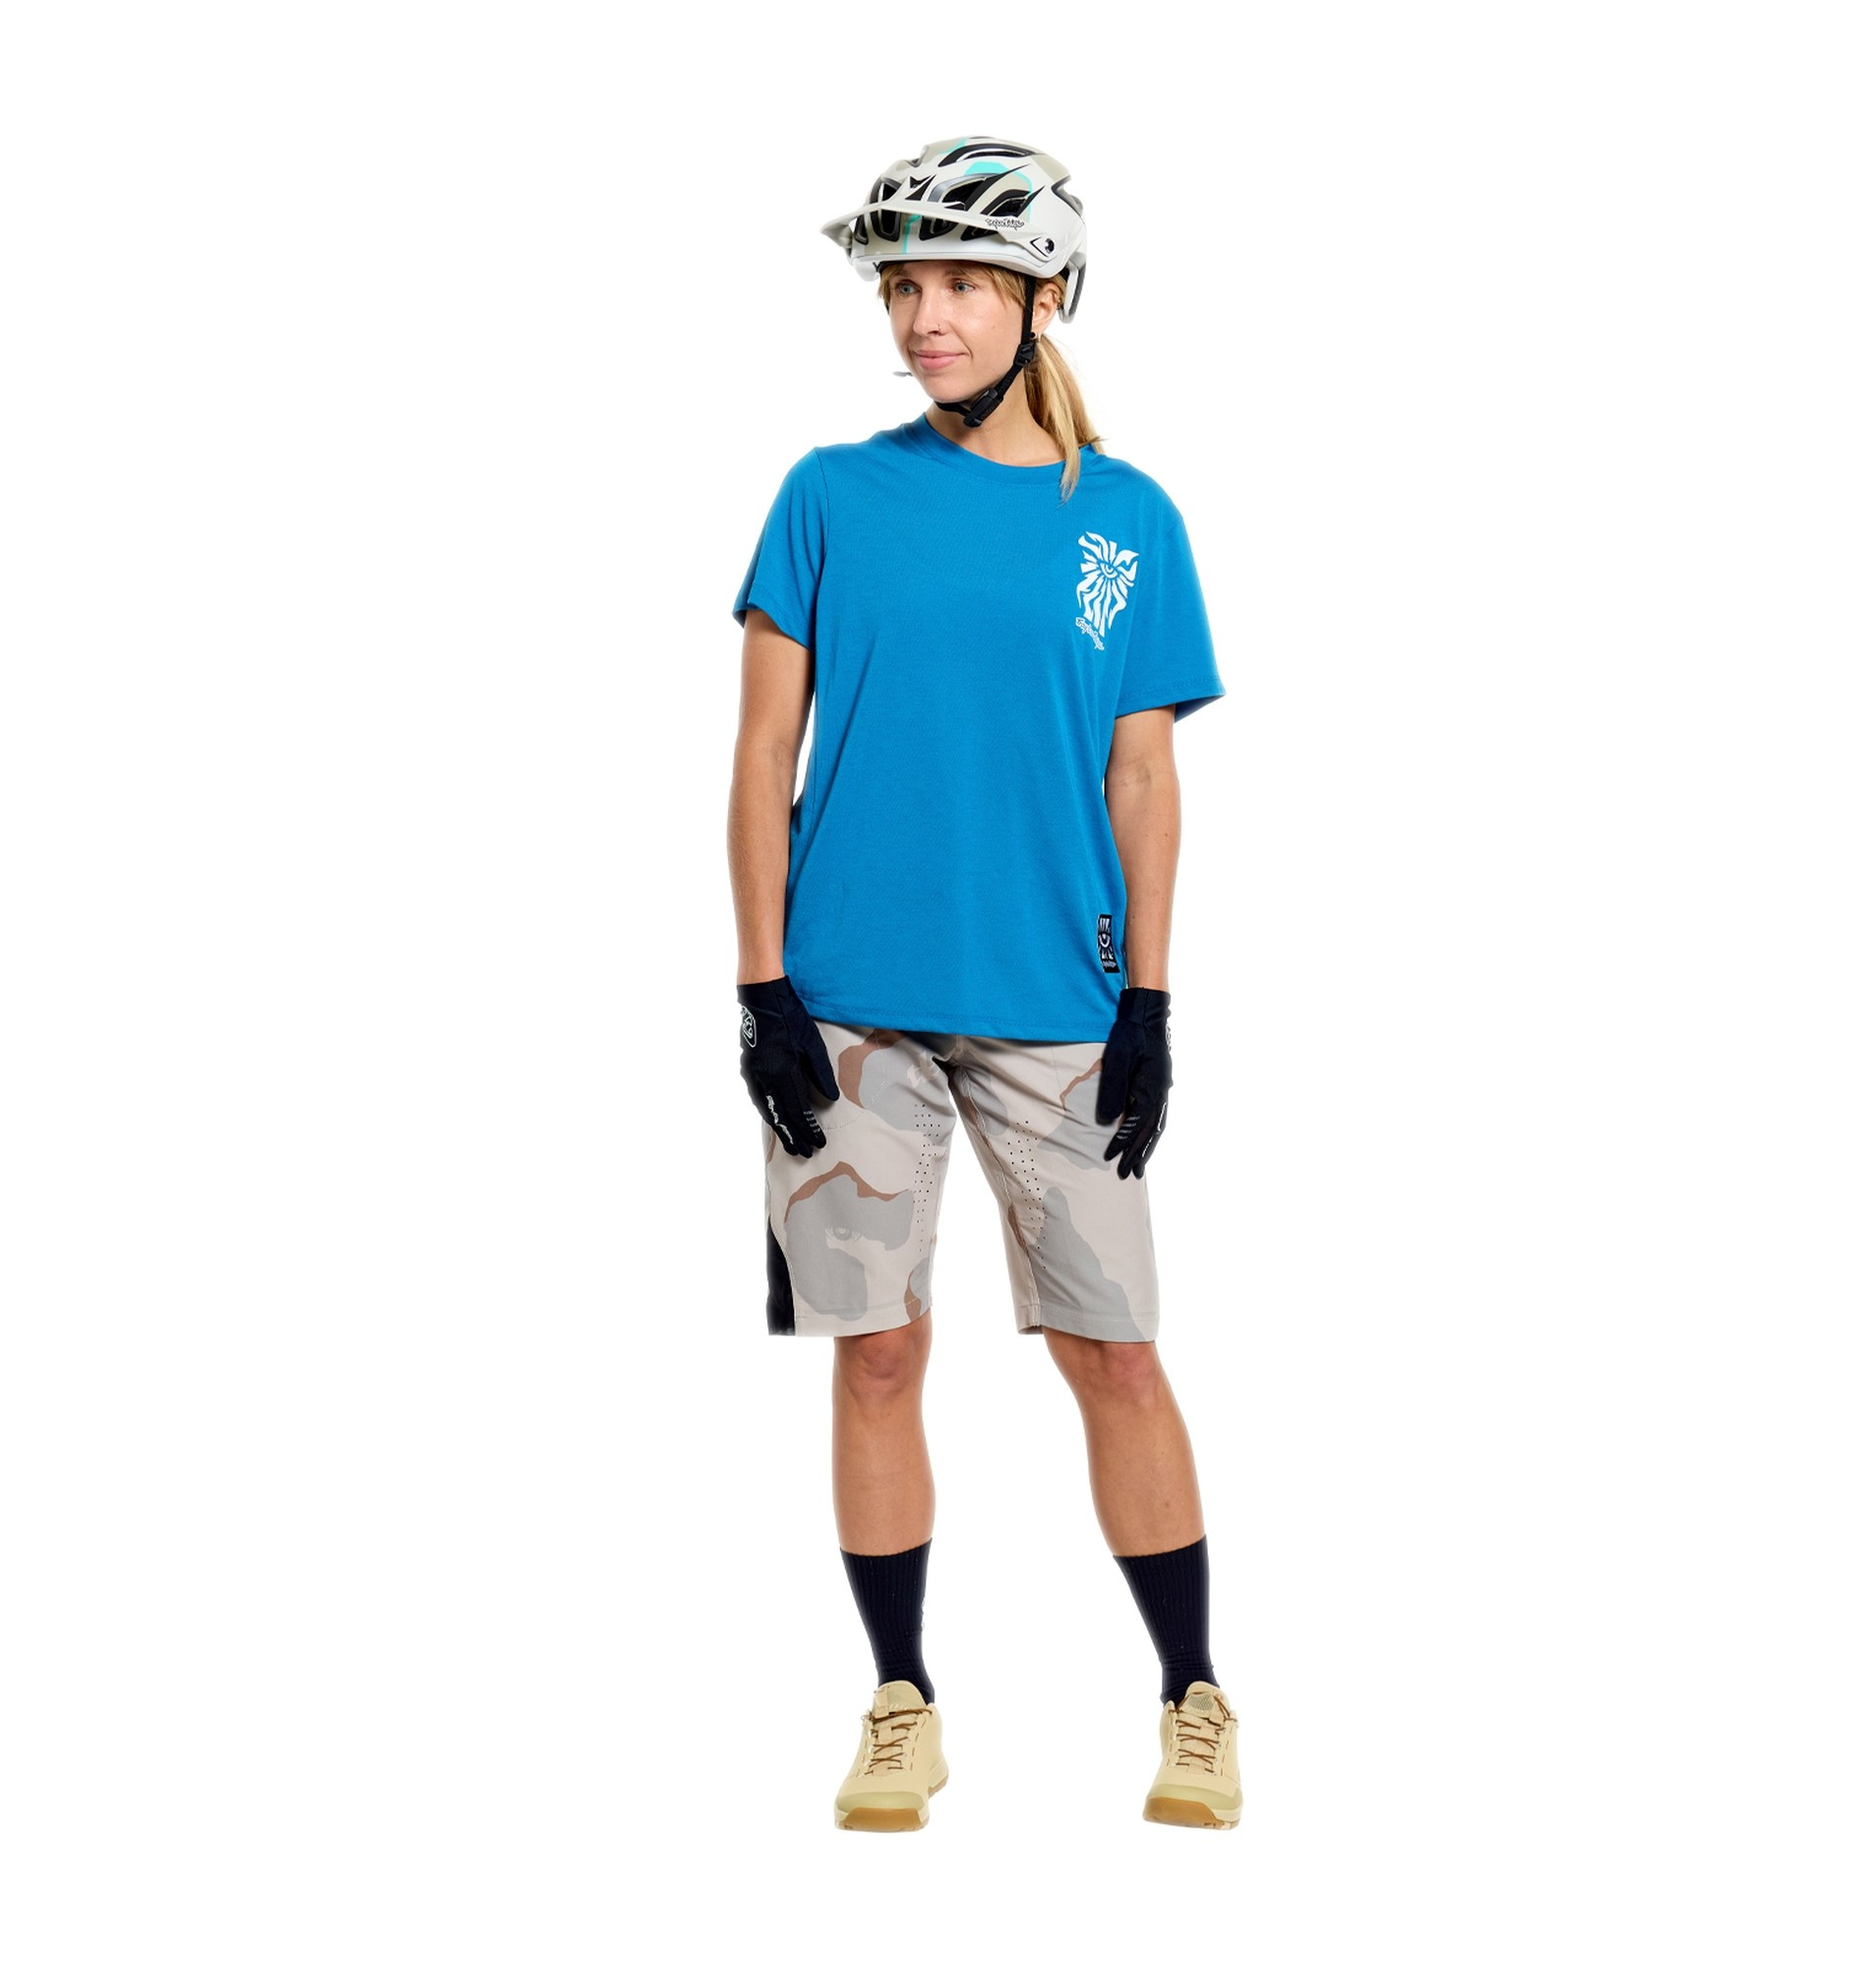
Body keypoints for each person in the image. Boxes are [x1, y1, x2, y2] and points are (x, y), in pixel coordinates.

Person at [726, 136, 1241, 1832]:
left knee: (1116, 1352)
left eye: (958, 283)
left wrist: (1150, 1002)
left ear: (1046, 296)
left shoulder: (1125, 522)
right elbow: (762, 755)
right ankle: (901, 1701)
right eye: (903, 286)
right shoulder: (825, 495)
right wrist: (764, 985)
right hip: (849, 1003)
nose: (921, 318)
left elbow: (1143, 775)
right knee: (875, 1352)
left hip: (1053, 1001)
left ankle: (1194, 1696)